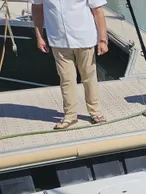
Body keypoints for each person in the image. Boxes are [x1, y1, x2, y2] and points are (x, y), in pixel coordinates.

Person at [31, 0, 108, 129]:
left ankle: (95, 112)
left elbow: (98, 11)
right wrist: (39, 36)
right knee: (66, 79)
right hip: (58, 40)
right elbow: (37, 9)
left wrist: (102, 40)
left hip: (84, 37)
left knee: (89, 77)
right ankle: (70, 116)